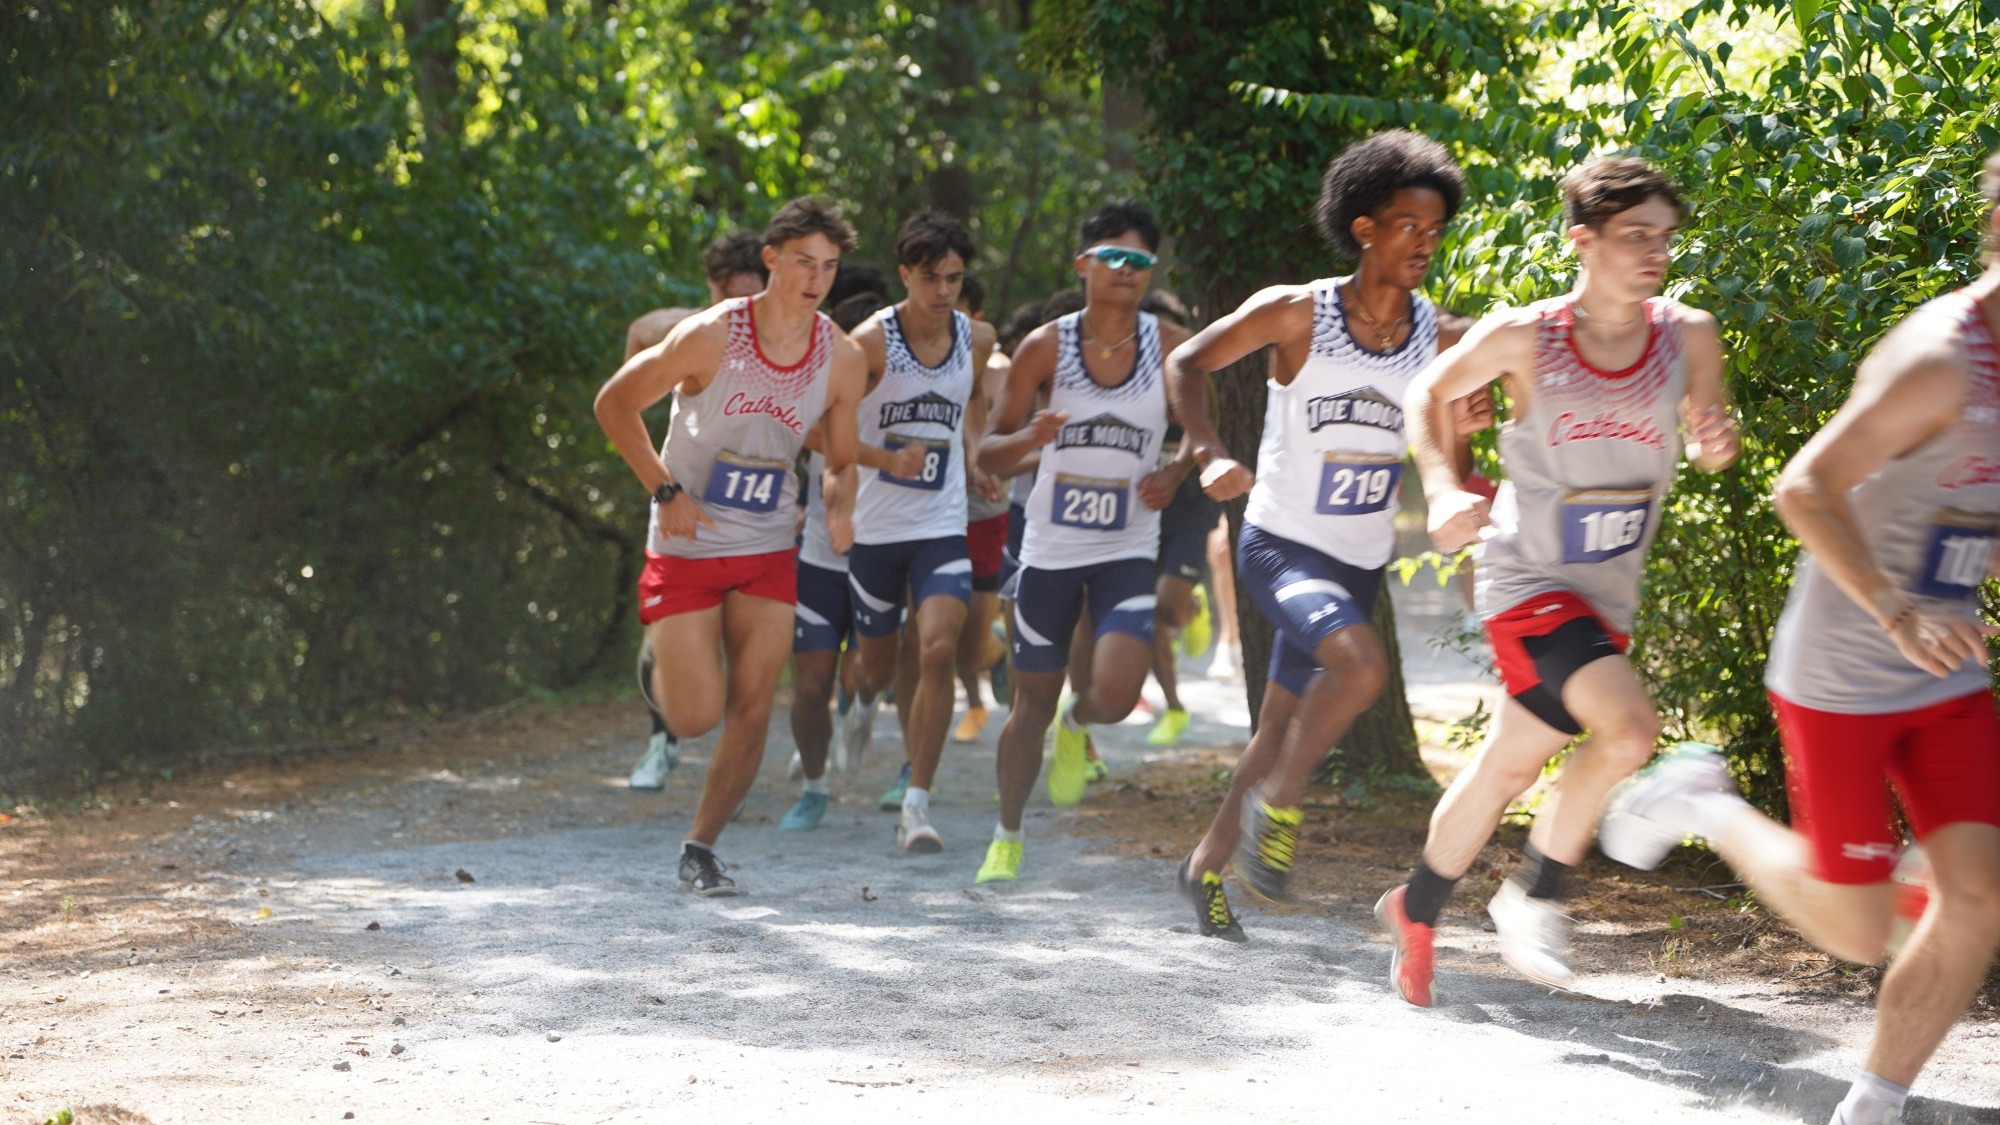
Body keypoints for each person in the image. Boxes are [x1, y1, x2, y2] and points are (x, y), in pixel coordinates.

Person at [1597, 151, 2000, 1125]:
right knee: (1858, 933)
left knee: (1979, 898)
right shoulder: (1940, 359)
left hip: (1943, 667)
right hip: (1843, 666)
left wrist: (1957, 594)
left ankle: (1871, 1106)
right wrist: (1898, 608)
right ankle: (1704, 801)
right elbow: (1803, 487)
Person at [1378, 155, 1737, 1001]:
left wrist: (1714, 440)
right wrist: (1440, 486)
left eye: (1664, 236)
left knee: (1506, 767)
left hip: (1607, 593)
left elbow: (1707, 432)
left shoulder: (1688, 334)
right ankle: (1537, 893)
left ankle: (1415, 909)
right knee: (1630, 730)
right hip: (1528, 578)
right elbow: (1426, 391)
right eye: (1635, 235)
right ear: (1584, 239)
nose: (1655, 251)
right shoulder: (1526, 335)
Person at [1164, 130, 1472, 941]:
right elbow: (1187, 363)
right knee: (1360, 666)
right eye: (1408, 226)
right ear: (1364, 227)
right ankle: (1283, 801)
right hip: (1281, 544)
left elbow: (1482, 408)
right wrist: (1209, 450)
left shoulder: (1440, 335)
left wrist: (1470, 443)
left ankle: (1204, 866)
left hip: (1360, 560)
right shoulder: (1298, 311)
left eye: (1436, 230)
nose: (1425, 243)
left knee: (1277, 728)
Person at [594, 198, 866, 895]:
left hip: (768, 546)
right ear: (771, 259)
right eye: (803, 262)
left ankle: (701, 848)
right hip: (686, 542)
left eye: (828, 266)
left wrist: (841, 506)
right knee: (694, 716)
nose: (816, 279)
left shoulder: (842, 357)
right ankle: (662, 657)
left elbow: (839, 458)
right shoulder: (710, 335)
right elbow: (614, 405)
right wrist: (664, 489)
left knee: (753, 703)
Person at [974, 202, 1193, 884]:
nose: (1126, 270)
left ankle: (1080, 723)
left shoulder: (1170, 345)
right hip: (1051, 550)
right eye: (1112, 257)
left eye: (1139, 260)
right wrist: (1031, 436)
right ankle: (1007, 836)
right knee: (1029, 702)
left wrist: (1174, 471)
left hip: (1128, 545)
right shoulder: (1046, 347)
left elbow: (1202, 431)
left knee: (1118, 695)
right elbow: (989, 453)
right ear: (1083, 264)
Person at [841, 212, 998, 853]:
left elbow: (974, 402)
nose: (943, 291)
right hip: (876, 529)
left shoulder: (977, 338)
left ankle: (917, 803)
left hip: (941, 522)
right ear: (905, 275)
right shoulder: (867, 345)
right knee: (878, 666)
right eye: (931, 278)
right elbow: (825, 433)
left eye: (954, 279)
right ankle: (861, 704)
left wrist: (977, 454)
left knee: (936, 649)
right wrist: (883, 460)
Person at [627, 231, 770, 790]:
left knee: (742, 637)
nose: (741, 308)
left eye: (751, 296)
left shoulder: (788, 338)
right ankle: (660, 743)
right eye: (730, 296)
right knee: (663, 634)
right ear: (711, 287)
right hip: (683, 500)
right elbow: (639, 337)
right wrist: (653, 474)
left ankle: (731, 771)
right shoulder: (683, 330)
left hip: (753, 509)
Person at [1138, 288, 1223, 748]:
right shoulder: (1123, 376)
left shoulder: (1191, 376)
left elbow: (1205, 429)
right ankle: (1173, 708)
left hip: (1188, 504)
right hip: (1142, 508)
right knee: (1151, 614)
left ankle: (1192, 606)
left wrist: (1175, 471)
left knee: (1168, 606)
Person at [954, 271, 1016, 743]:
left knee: (968, 641)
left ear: (976, 319)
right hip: (924, 513)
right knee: (932, 626)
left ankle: (993, 650)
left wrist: (982, 465)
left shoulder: (998, 369)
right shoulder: (904, 357)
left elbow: (1009, 441)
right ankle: (973, 705)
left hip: (983, 513)